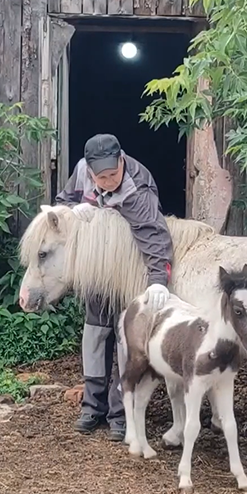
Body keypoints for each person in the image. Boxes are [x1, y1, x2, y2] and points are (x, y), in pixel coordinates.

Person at [54, 134, 175, 441]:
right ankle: (91, 407)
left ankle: (121, 413)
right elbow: (62, 204)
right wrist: (73, 210)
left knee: (124, 338)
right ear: (90, 171)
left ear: (122, 160)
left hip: (127, 269)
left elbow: (154, 235)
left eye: (113, 173)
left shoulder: (137, 187)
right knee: (95, 334)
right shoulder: (81, 171)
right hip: (98, 268)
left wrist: (158, 280)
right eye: (101, 177)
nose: (108, 181)